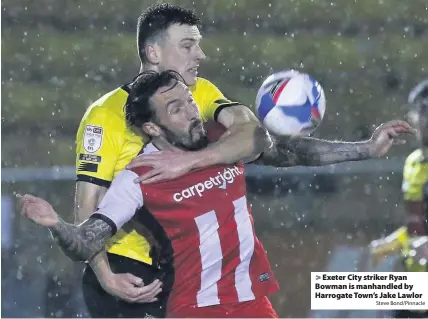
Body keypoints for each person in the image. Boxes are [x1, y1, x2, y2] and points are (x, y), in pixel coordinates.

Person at [19, 70, 414, 318]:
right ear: (153, 129)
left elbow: (287, 150)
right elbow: (86, 240)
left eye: (189, 101)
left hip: (251, 302)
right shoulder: (136, 178)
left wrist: (365, 148)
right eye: (175, 109)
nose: (192, 111)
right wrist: (57, 225)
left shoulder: (222, 141)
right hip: (194, 308)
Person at [74, 4, 272, 317]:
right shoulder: (103, 114)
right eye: (187, 45)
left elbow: (254, 136)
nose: (200, 55)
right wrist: (106, 277)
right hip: (126, 269)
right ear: (153, 52)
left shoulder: (200, 92)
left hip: (179, 269)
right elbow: (87, 205)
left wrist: (190, 162)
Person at [370, 80, 428, 318]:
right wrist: (394, 241)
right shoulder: (414, 163)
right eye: (422, 111)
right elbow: (418, 226)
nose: (425, 119)